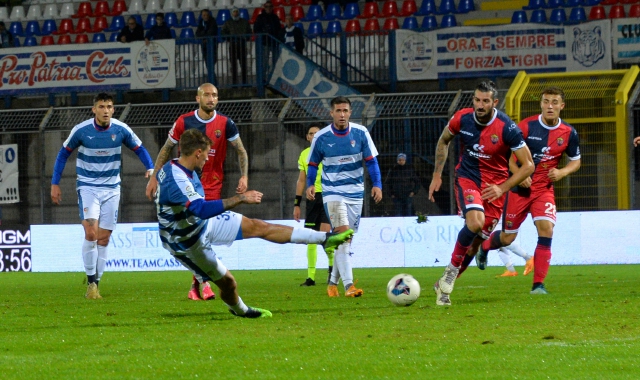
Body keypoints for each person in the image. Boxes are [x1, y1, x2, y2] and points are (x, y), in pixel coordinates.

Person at [156, 129, 353, 318]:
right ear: (198, 153)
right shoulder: (178, 179)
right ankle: (241, 310)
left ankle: (325, 239)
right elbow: (200, 208)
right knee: (229, 284)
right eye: (207, 154)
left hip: (202, 223)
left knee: (258, 226)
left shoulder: (177, 166)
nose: (208, 158)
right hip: (187, 242)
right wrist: (240, 198)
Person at [428, 80, 534, 306]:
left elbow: (528, 165)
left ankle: (445, 283)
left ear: (494, 102)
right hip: (468, 178)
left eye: (485, 101)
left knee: (476, 244)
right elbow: (443, 140)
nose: (480, 105)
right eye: (477, 100)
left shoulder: (507, 127)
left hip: (495, 189)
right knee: (475, 223)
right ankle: (449, 276)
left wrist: (502, 187)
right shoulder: (462, 118)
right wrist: (437, 174)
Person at [146, 83, 249, 301]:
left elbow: (241, 149)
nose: (211, 99)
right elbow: (166, 148)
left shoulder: (225, 123)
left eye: (215, 95)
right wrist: (154, 176)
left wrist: (244, 176)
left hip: (212, 186)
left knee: (202, 237)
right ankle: (203, 283)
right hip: (186, 187)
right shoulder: (184, 121)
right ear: (198, 98)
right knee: (194, 236)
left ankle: (199, 285)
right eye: (207, 95)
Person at [476, 86, 581, 295]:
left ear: (562, 106)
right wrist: (520, 174)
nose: (549, 106)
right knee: (507, 239)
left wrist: (562, 173)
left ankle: (538, 285)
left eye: (554, 102)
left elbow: (576, 161)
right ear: (541, 104)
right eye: (546, 101)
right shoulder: (526, 127)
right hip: (519, 191)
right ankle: (485, 246)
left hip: (544, 191)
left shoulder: (569, 133)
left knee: (546, 229)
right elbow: (506, 157)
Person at [51, 93, 154, 300]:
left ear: (113, 109)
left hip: (112, 189)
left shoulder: (120, 129)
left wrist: (150, 168)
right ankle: (90, 284)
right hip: (88, 186)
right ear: (94, 109)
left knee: (104, 239)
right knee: (91, 233)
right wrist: (55, 183)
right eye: (101, 106)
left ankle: (96, 285)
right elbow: (63, 153)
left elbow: (140, 148)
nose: (106, 110)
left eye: (109, 106)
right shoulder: (81, 130)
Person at [306, 96, 383, 297]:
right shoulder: (321, 137)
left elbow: (372, 162)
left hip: (356, 193)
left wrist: (377, 185)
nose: (342, 114)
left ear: (350, 112)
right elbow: (312, 164)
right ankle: (349, 286)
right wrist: (309, 185)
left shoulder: (361, 133)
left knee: (346, 240)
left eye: (345, 110)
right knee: (342, 235)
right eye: (338, 111)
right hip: (332, 193)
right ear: (331, 113)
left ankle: (332, 283)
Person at [294, 123, 333, 287]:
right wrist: (297, 204)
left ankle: (332, 271)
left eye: (317, 133)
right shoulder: (304, 155)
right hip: (311, 199)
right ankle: (311, 277)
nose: (314, 136)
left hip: (327, 197)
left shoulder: (329, 152)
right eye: (311, 133)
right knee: (310, 238)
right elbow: (301, 180)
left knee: (324, 236)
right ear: (308, 137)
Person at [221, 7, 252, 85]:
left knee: (243, 65)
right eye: (234, 12)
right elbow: (223, 32)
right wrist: (229, 38)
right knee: (234, 65)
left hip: (242, 44)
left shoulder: (244, 22)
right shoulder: (228, 22)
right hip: (233, 45)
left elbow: (249, 31)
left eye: (236, 12)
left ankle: (245, 82)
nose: (235, 13)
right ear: (232, 13)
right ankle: (235, 83)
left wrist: (245, 38)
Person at [253, 1, 282, 78]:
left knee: (276, 62)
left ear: (272, 8)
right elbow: (256, 29)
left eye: (270, 7)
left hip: (274, 42)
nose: (268, 8)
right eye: (267, 7)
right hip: (265, 43)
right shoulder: (260, 17)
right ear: (264, 7)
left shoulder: (275, 17)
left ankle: (275, 79)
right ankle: (262, 79)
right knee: (264, 62)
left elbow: (279, 29)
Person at [195, 9, 218, 81]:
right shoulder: (201, 23)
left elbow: (212, 32)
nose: (205, 16)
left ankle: (213, 80)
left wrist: (204, 35)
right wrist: (204, 34)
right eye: (204, 15)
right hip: (204, 46)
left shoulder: (212, 22)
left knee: (211, 63)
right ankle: (212, 80)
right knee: (208, 64)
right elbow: (197, 33)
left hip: (212, 45)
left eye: (206, 15)